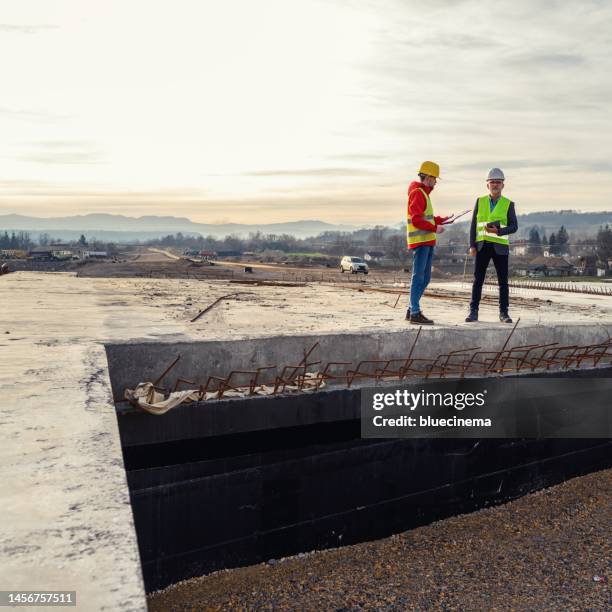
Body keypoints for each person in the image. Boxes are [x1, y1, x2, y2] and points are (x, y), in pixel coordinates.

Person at [465, 167, 518, 323]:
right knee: (478, 280)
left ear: (503, 185)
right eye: (492, 182)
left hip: (500, 248)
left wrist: (499, 231)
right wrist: (472, 245)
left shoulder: (508, 204)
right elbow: (474, 224)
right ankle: (473, 311)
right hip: (482, 246)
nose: (495, 185)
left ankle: (504, 313)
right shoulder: (480, 201)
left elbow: (514, 226)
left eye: (498, 182)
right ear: (487, 185)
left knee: (503, 282)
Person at [406, 161, 450, 325]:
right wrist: (435, 228)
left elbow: (427, 217)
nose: (436, 182)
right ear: (428, 177)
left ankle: (412, 308)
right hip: (421, 242)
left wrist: (444, 220)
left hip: (427, 241)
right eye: (435, 178)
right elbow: (417, 220)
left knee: (425, 279)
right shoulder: (418, 193)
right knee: (419, 277)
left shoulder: (424, 193)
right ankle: (415, 312)